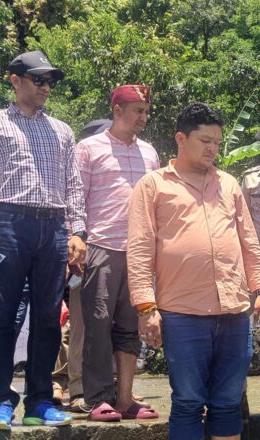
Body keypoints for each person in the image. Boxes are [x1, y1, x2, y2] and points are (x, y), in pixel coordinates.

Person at [0, 50, 86, 430]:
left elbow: (73, 184)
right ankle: (1, 401)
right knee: (2, 318)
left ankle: (40, 401)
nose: (46, 87)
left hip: (53, 228)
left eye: (49, 81)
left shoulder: (62, 130)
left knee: (49, 319)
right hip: (8, 224)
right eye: (38, 79)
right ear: (15, 81)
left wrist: (77, 231)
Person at [127, 102, 260, 440]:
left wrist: (258, 290)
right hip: (181, 313)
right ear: (181, 139)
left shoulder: (228, 184)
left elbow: (249, 241)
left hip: (234, 310)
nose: (212, 149)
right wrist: (146, 306)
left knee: (228, 402)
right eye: (205, 141)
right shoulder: (153, 185)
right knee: (187, 402)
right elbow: (140, 248)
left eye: (216, 142)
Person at [76, 85, 160, 421]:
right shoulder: (89, 148)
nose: (143, 118)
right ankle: (98, 399)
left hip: (139, 251)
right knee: (98, 325)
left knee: (130, 326)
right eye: (137, 110)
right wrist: (76, 238)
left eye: (146, 111)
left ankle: (125, 398)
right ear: (117, 110)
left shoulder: (149, 153)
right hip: (101, 246)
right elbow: (76, 198)